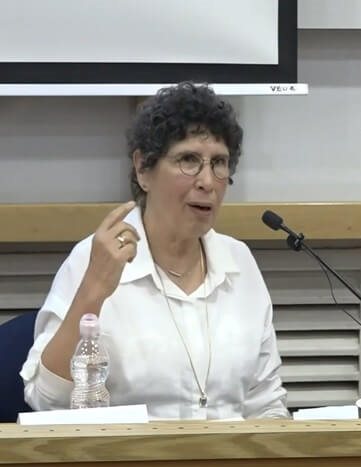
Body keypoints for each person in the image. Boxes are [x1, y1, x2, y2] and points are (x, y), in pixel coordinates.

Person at [21, 82, 289, 420]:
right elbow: (46, 400)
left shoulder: (240, 262)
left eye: (219, 162)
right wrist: (94, 289)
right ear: (143, 169)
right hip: (128, 448)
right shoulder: (94, 259)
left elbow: (266, 404)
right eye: (188, 160)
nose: (207, 181)